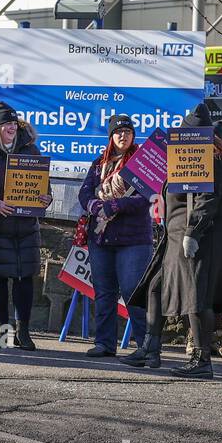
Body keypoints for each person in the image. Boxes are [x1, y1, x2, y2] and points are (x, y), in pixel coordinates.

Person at [129, 103, 222, 379]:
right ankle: (151, 348)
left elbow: (207, 199)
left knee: (197, 295)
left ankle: (202, 359)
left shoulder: (213, 158)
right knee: (155, 285)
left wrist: (193, 231)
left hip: (203, 234)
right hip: (174, 234)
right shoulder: (184, 157)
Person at [0, 102, 50, 350]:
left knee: (25, 279)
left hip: (25, 227)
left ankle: (23, 332)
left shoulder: (30, 150)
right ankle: (2, 333)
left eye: (14, 123)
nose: (12, 127)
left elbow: (43, 186)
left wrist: (47, 197)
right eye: (6, 124)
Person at [79, 114, 154, 358]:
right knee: (104, 291)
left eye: (128, 131)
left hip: (133, 239)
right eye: (118, 131)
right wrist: (92, 205)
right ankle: (105, 343)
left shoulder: (142, 163)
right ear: (111, 136)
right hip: (101, 237)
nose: (123, 135)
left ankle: (146, 345)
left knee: (133, 291)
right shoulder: (100, 164)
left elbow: (145, 198)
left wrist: (115, 205)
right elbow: (85, 191)